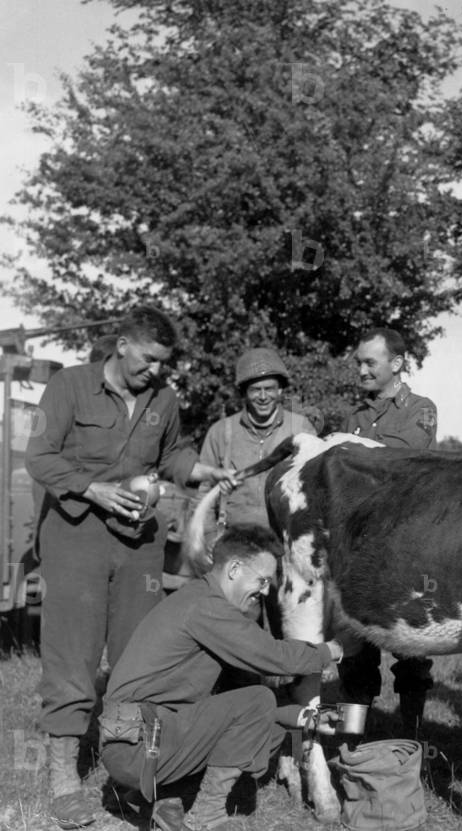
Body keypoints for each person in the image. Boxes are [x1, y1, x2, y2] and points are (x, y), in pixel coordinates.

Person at [26, 305, 239, 830]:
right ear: (122, 344)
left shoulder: (163, 399)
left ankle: (143, 775)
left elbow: (172, 456)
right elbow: (39, 456)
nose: (157, 372)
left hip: (140, 542)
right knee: (72, 655)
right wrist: (91, 487)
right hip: (75, 537)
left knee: (141, 658)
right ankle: (64, 780)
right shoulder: (69, 386)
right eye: (149, 360)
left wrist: (203, 469)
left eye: (164, 363)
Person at [99, 525, 346, 831]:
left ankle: (160, 796)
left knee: (266, 723)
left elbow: (232, 710)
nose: (266, 591)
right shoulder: (208, 608)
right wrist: (328, 651)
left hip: (140, 738)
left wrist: (304, 717)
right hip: (136, 747)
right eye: (262, 580)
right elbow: (274, 657)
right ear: (234, 569)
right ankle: (207, 815)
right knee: (258, 701)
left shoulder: (198, 599)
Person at [339, 327, 437, 731]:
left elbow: (402, 456)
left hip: (405, 547)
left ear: (396, 364)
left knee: (411, 645)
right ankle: (353, 735)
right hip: (360, 548)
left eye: (370, 363)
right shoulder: (355, 417)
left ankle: (412, 734)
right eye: (358, 362)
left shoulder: (420, 408)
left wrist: (354, 455)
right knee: (357, 647)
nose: (361, 370)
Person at [198, 348, 315, 538]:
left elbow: (317, 491)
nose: (262, 397)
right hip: (233, 541)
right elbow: (203, 493)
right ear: (244, 393)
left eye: (269, 389)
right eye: (255, 390)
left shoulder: (301, 429)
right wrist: (209, 538)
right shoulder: (221, 432)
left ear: (280, 390)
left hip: (286, 542)